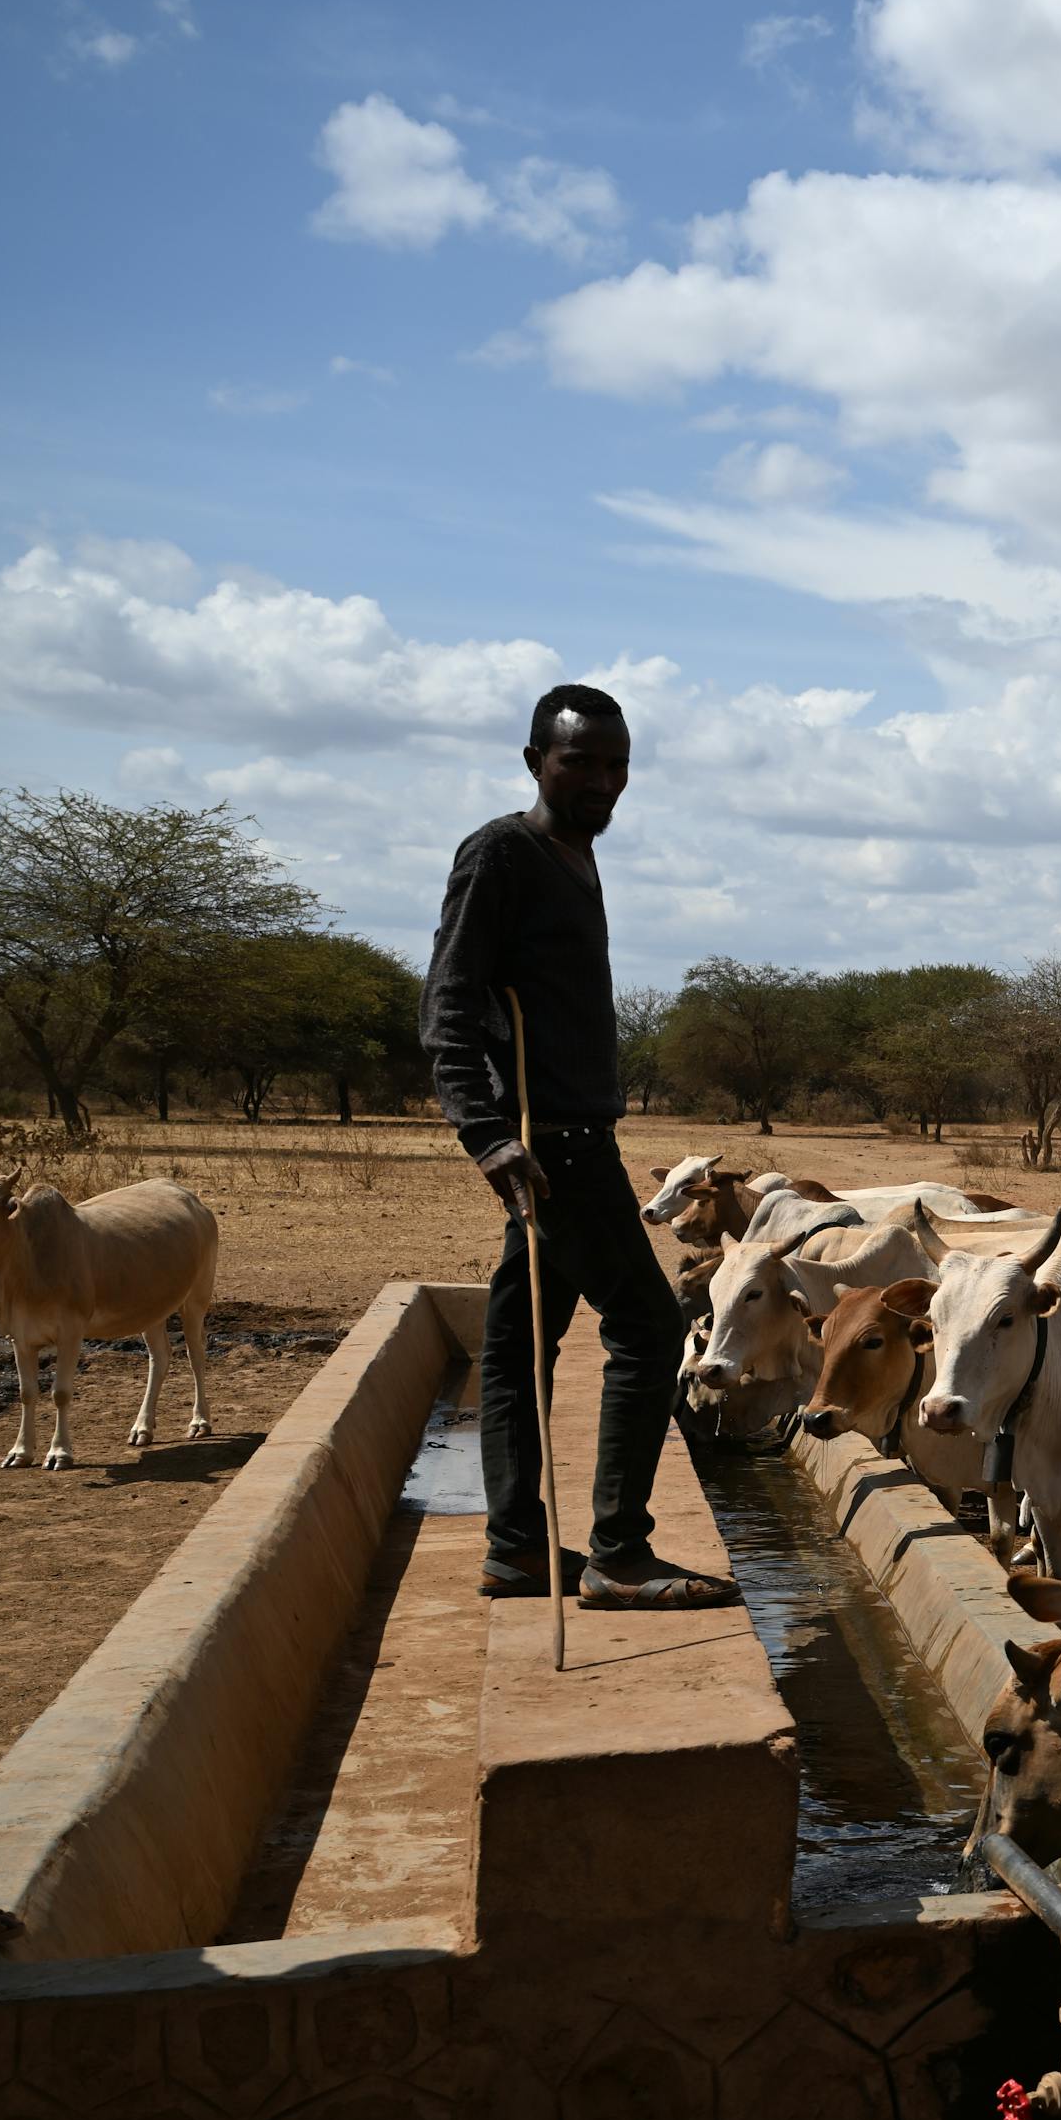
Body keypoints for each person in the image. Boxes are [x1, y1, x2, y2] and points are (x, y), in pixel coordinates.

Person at [421, 684, 736, 1608]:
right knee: (649, 1329)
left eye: (616, 764)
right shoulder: (503, 853)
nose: (603, 780)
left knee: (520, 1344)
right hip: (549, 1142)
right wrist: (486, 1135)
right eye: (580, 761)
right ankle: (618, 1554)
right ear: (535, 764)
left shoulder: (575, 859)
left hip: (573, 1134)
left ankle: (517, 1547)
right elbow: (448, 1005)